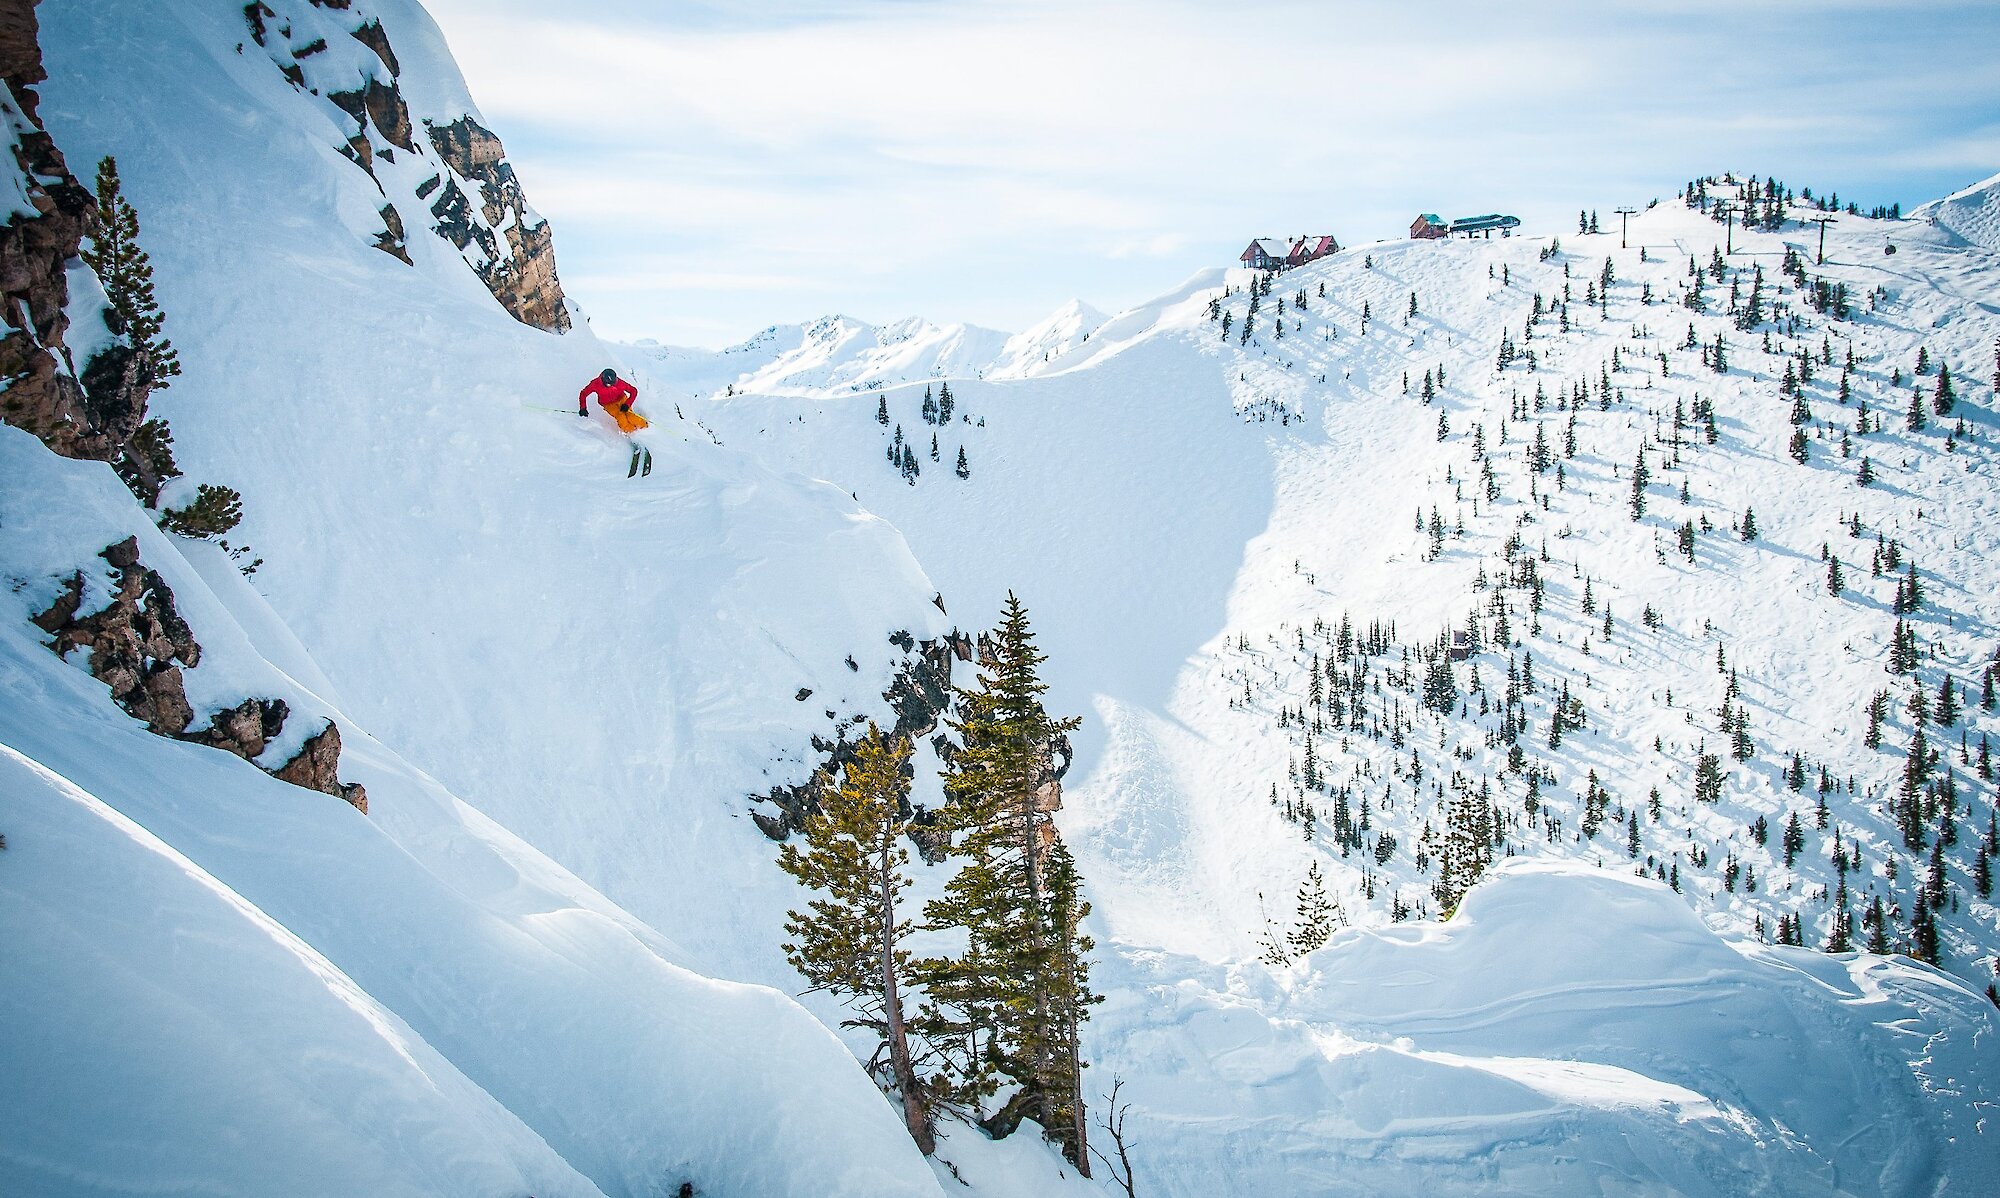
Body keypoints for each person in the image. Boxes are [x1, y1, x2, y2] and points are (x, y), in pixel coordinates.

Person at [578, 368, 648, 433]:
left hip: (621, 399)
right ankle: (633, 433)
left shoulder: (619, 383)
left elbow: (633, 391)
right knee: (621, 418)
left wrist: (627, 404)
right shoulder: (595, 384)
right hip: (608, 405)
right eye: (610, 384)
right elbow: (583, 394)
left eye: (615, 382)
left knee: (631, 416)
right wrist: (583, 408)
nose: (613, 385)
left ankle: (646, 428)